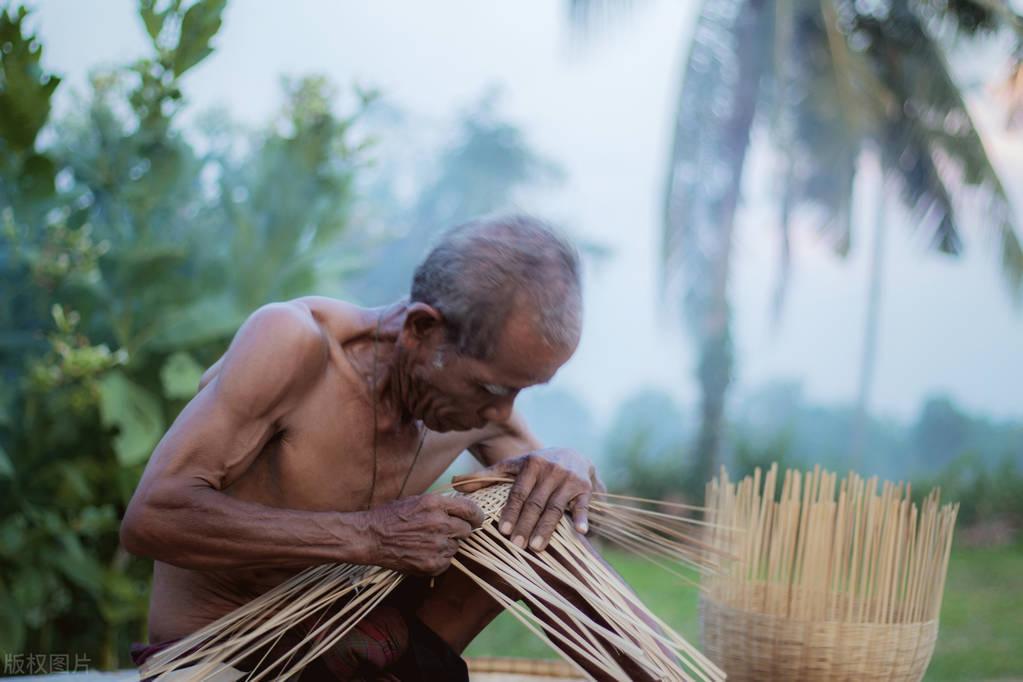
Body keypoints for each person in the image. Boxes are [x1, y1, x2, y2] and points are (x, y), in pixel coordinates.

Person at [121, 214, 607, 680]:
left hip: (361, 652)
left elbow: (572, 530)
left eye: (520, 391)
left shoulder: (471, 399)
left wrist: (569, 464)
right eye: (492, 390)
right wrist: (371, 536)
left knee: (535, 509)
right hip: (225, 658)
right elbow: (152, 518)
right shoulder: (294, 346)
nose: (502, 414)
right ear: (422, 330)